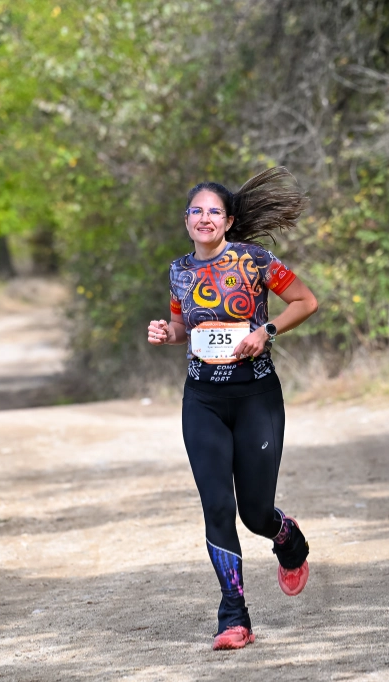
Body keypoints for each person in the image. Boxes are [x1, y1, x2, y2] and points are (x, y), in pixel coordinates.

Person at [147, 167, 319, 651]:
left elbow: (306, 301)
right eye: (196, 211)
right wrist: (167, 333)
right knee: (218, 507)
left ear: (228, 221)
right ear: (186, 220)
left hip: (256, 397)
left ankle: (287, 538)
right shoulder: (180, 270)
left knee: (255, 512)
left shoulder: (256, 260)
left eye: (214, 212)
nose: (205, 218)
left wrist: (269, 331)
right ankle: (234, 616)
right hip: (202, 401)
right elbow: (186, 326)